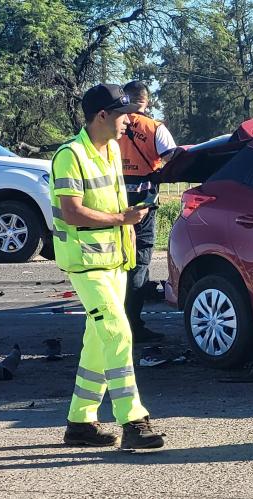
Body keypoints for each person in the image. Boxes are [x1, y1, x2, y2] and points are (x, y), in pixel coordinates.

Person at [50, 83, 166, 448]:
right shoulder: (69, 155)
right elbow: (71, 211)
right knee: (117, 332)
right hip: (85, 264)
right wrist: (121, 219)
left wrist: (128, 224)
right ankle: (133, 420)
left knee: (97, 343)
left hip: (114, 261)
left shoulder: (112, 149)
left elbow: (114, 198)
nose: (128, 124)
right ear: (102, 115)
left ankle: (80, 423)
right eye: (122, 117)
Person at [118, 81, 177, 344]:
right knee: (139, 261)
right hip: (142, 205)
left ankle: (115, 319)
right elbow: (173, 161)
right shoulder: (155, 128)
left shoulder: (111, 125)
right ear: (147, 101)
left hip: (111, 203)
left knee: (115, 262)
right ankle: (132, 324)